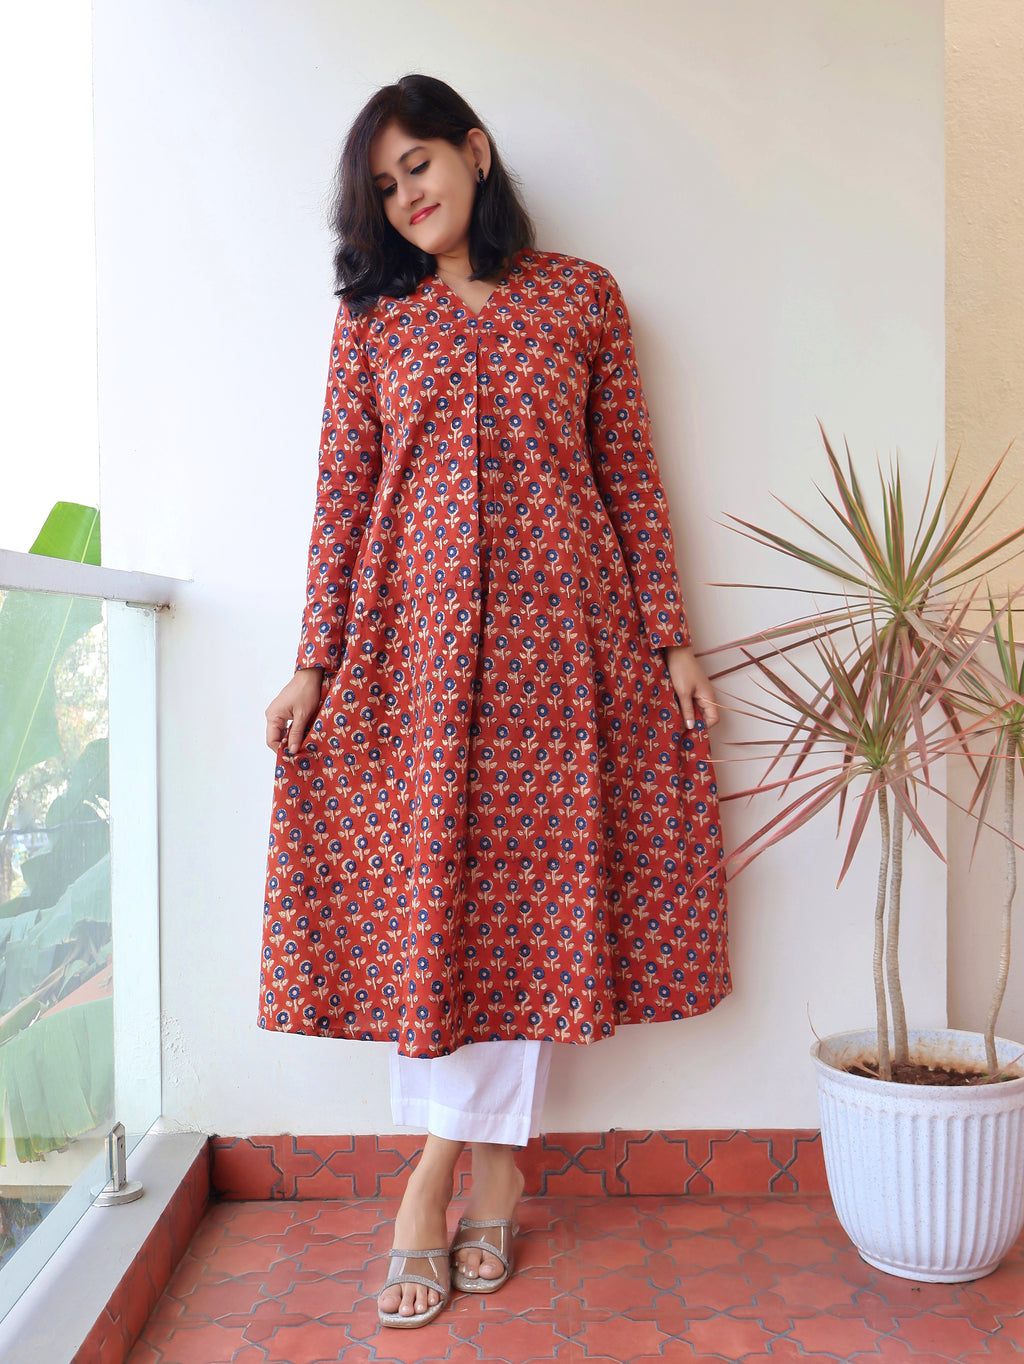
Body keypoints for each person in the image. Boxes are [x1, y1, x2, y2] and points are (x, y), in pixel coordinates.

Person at [261, 73, 731, 1329]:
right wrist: (317, 658)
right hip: (414, 652)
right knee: (439, 912)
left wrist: (671, 639)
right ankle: (493, 1169)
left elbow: (629, 478)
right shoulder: (372, 321)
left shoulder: (581, 298)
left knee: (528, 906)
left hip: (559, 657)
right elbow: (342, 495)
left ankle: (432, 1182)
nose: (405, 195)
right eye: (381, 186)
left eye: (417, 165)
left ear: (474, 152)